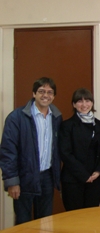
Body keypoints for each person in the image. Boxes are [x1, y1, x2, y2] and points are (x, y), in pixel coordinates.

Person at [0, 77, 62, 225]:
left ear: (53, 96)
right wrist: (12, 181)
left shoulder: (56, 118)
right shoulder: (17, 117)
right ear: (34, 94)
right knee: (24, 223)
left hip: (47, 177)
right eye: (41, 91)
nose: (45, 95)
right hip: (24, 178)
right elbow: (8, 151)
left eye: (49, 92)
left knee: (45, 222)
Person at [59, 88, 100, 211]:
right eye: (79, 101)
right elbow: (65, 153)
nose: (84, 105)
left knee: (91, 218)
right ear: (74, 104)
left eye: (88, 100)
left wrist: (99, 171)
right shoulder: (67, 125)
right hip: (73, 180)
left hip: (94, 180)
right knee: (74, 219)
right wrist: (84, 175)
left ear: (92, 103)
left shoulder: (99, 124)